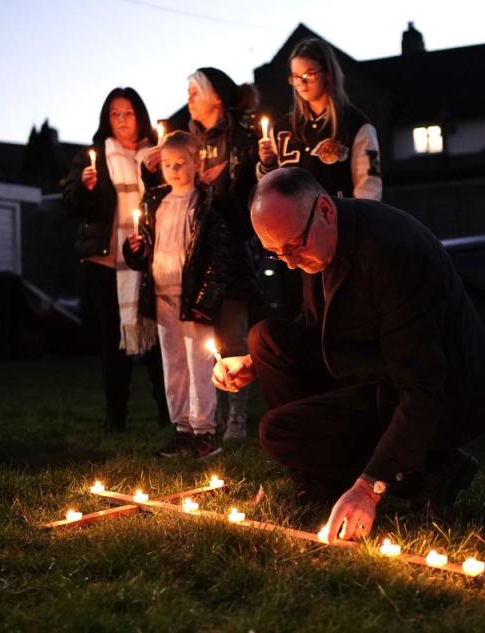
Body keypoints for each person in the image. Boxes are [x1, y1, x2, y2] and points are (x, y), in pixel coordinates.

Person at [212, 167, 485, 543]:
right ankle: (319, 483)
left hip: (445, 393)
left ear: (324, 209)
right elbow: (315, 323)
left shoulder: (393, 254)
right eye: (276, 254)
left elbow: (422, 386)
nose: (289, 262)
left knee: (278, 434)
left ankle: (434, 468)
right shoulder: (316, 241)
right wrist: (254, 363)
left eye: (293, 247)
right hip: (375, 370)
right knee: (265, 339)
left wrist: (370, 488)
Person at [123, 131, 257, 459]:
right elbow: (147, 250)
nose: (174, 170)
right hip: (162, 295)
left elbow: (218, 256)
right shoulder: (156, 201)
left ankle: (205, 430)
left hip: (192, 298)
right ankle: (182, 428)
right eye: (167, 164)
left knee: (199, 365)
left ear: (197, 164)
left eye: (181, 163)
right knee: (173, 365)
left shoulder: (206, 204)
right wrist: (134, 250)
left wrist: (204, 300)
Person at [62, 87, 170, 432]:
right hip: (106, 262)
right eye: (114, 114)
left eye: (128, 113)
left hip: (151, 260)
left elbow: (170, 198)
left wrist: (156, 172)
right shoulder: (95, 157)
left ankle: (169, 415)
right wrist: (85, 189)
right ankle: (116, 418)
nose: (122, 120)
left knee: (156, 337)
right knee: (113, 340)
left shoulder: (156, 154)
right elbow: (72, 204)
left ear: (140, 115)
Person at [186, 67, 261, 442]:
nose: (189, 100)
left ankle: (237, 419)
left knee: (234, 332)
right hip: (197, 249)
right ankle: (205, 416)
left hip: (233, 244)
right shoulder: (187, 139)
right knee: (202, 335)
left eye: (194, 92)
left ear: (216, 96)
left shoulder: (243, 138)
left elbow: (252, 189)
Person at [257, 37, 382, 200]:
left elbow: (369, 186)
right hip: (293, 223)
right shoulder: (282, 128)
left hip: (339, 221)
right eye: (295, 76)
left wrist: (355, 222)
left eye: (309, 74)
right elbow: (272, 187)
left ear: (328, 74)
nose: (301, 83)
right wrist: (267, 163)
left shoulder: (356, 125)